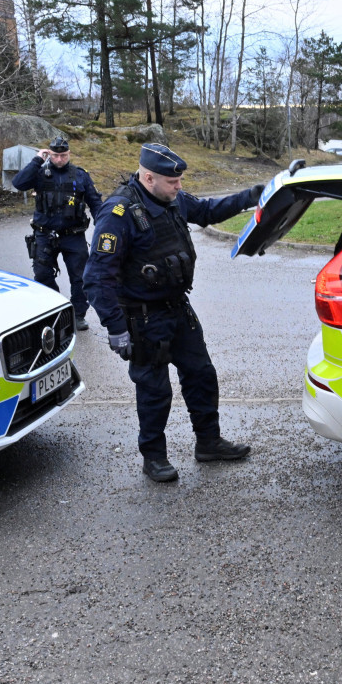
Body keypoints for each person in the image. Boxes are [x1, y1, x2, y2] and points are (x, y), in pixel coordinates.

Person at [83, 142, 265, 483]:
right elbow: (96, 278)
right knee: (154, 391)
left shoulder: (171, 199)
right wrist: (116, 327)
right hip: (143, 318)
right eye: (172, 181)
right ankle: (154, 458)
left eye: (180, 180)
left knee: (201, 375)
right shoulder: (118, 214)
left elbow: (210, 210)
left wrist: (257, 194)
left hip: (178, 308)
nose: (179, 187)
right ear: (148, 177)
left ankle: (208, 443)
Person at [12, 136, 103, 330]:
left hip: (73, 235)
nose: (59, 159)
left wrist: (103, 227)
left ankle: (78, 314)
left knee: (80, 277)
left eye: (63, 155)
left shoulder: (80, 175)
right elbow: (18, 184)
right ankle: (54, 311)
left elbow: (95, 203)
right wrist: (37, 160)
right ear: (49, 154)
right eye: (55, 155)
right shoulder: (39, 173)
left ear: (69, 154)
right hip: (45, 234)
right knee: (43, 275)